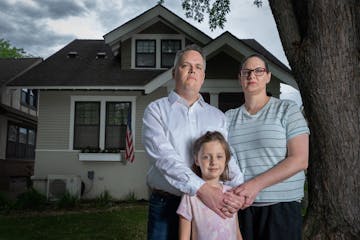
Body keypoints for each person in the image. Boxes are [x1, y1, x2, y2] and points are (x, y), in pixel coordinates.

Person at [142, 44, 244, 240]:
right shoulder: (156, 111)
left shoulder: (217, 116)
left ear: (203, 76)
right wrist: (201, 189)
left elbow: (227, 159)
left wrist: (239, 191)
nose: (192, 70)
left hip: (208, 205)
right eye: (186, 65)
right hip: (167, 202)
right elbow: (164, 157)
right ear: (174, 73)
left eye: (198, 67)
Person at [225, 53, 310, 240]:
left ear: (268, 76)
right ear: (240, 78)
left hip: (281, 207)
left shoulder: (287, 109)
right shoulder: (228, 118)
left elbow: (300, 159)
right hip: (242, 208)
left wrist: (255, 185)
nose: (251, 76)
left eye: (258, 71)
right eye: (246, 72)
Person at [177, 131, 243, 240]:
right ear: (197, 160)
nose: (213, 162)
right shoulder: (190, 196)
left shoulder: (231, 193)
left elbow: (236, 231)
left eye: (219, 156)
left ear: (226, 160)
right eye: (206, 157)